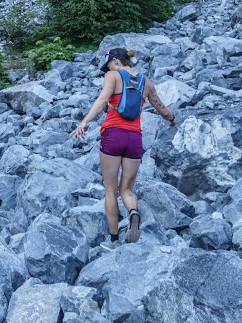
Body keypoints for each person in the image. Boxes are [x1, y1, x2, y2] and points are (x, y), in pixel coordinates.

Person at [71, 48, 176, 248]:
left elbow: (102, 100)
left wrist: (84, 123)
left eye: (107, 66)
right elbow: (161, 107)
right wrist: (172, 119)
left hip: (113, 136)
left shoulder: (113, 75)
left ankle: (113, 241)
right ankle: (133, 212)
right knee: (126, 189)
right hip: (134, 139)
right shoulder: (147, 83)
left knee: (110, 190)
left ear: (116, 61)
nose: (106, 70)